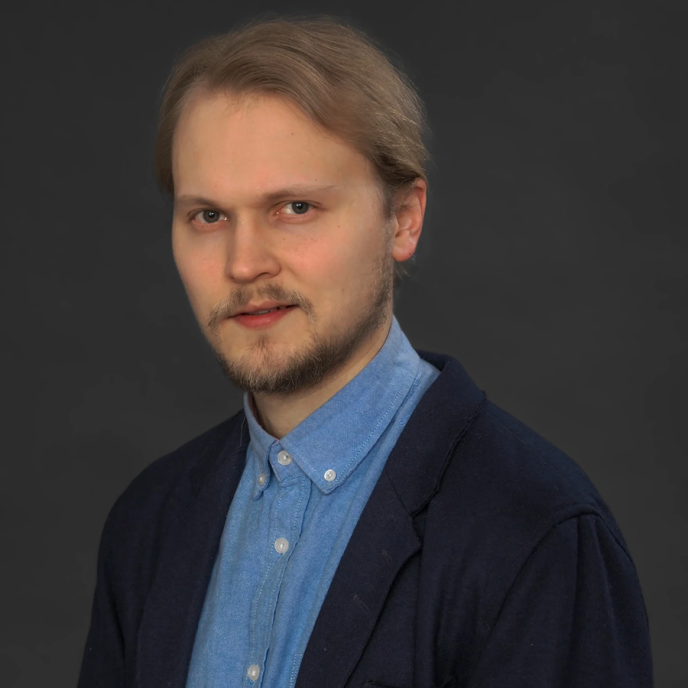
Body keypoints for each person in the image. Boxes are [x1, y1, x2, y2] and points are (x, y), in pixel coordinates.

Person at [78, 15, 653, 688]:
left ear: (403, 218)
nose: (243, 263)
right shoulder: (149, 523)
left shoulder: (537, 533)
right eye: (209, 216)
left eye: (294, 207)